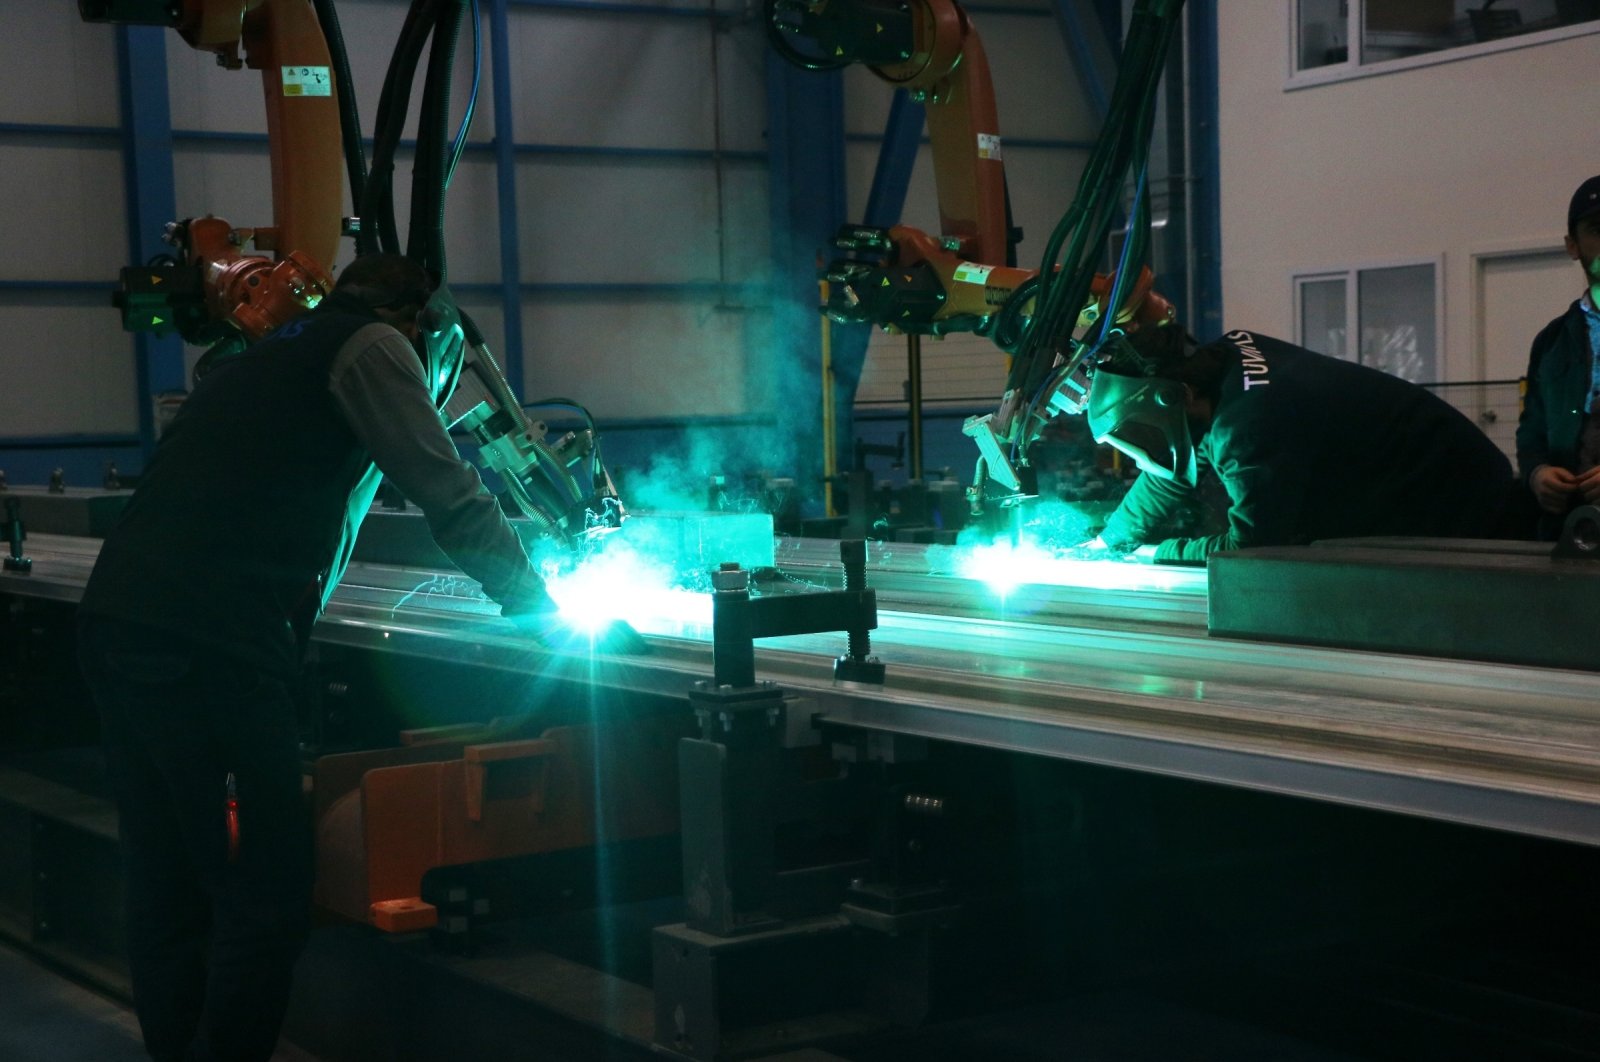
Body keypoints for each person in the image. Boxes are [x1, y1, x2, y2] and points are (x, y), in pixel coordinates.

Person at [75, 253, 556, 1062]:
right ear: (426, 332)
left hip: (122, 627)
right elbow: (449, 492)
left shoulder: (272, 352)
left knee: (167, 876)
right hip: (209, 655)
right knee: (262, 890)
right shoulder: (374, 348)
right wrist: (535, 602)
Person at [1082, 318, 1522, 565]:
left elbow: (1253, 548)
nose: (1142, 447)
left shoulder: (1251, 422)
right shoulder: (1221, 363)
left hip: (1460, 513)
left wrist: (1154, 554)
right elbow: (1170, 473)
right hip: (1451, 483)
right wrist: (1110, 541)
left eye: (1140, 432)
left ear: (1175, 396)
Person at [1515, 175, 1600, 535]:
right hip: (1566, 533)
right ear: (1573, 245)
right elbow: (1531, 430)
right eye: (1597, 228)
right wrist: (1537, 474)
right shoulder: (1551, 342)